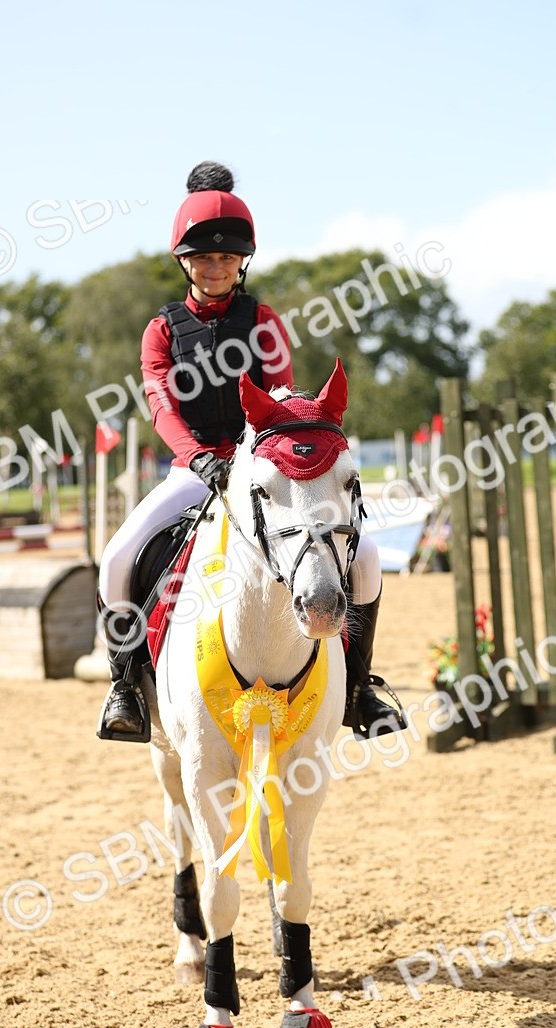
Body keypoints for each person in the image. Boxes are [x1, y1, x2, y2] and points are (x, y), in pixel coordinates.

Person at [97, 161, 404, 743]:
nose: (216, 268)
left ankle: (360, 687)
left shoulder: (262, 321)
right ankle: (124, 687)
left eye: (227, 258)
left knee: (362, 559)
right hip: (193, 471)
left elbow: (281, 397)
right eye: (205, 258)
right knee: (117, 558)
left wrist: (250, 456)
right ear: (185, 261)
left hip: (260, 466)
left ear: (242, 262)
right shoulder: (161, 331)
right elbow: (162, 405)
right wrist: (197, 456)